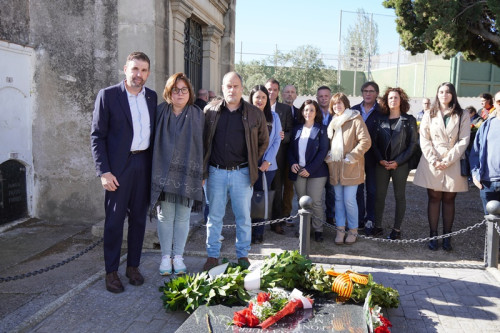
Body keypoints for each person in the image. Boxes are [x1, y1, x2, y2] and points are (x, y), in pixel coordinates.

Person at [91, 52, 157, 293]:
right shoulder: (108, 95)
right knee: (115, 222)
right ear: (125, 69)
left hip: (143, 164)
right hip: (118, 169)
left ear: (148, 73)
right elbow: (97, 136)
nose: (139, 74)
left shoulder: (151, 96)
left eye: (144, 70)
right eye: (135, 69)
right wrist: (104, 172)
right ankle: (111, 272)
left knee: (139, 220)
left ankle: (133, 266)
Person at [202, 72, 269, 271]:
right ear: (223, 88)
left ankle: (243, 255)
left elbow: (263, 141)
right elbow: (203, 141)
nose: (232, 90)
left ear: (242, 88)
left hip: (242, 173)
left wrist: (251, 160)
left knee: (243, 217)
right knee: (214, 217)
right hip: (216, 172)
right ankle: (212, 256)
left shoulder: (254, 113)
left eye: (236, 86)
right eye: (228, 86)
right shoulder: (210, 111)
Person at [150, 73, 204, 275]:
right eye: (175, 89)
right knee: (164, 217)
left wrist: (202, 173)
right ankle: (165, 257)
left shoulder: (198, 114)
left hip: (188, 174)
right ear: (169, 92)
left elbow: (204, 145)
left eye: (184, 90)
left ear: (189, 92)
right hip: (162, 173)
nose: (180, 93)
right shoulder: (159, 112)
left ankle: (178, 256)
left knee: (183, 218)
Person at [413, 82, 470, 251]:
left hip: (453, 160)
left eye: (448, 92)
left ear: (453, 94)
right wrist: (434, 160)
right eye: (441, 92)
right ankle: (433, 235)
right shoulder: (429, 113)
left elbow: (464, 139)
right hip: (433, 162)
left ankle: (447, 237)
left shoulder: (462, 113)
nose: (444, 95)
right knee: (434, 198)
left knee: (449, 199)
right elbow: (424, 138)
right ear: (437, 94)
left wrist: (449, 159)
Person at [370, 88, 418, 240]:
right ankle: (377, 226)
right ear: (386, 100)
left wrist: (398, 161)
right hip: (382, 164)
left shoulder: (408, 120)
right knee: (379, 196)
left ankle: (397, 229)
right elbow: (374, 143)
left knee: (399, 196)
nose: (393, 100)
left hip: (400, 165)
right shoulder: (379, 119)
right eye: (390, 98)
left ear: (401, 100)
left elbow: (412, 145)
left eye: (396, 98)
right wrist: (380, 160)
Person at [326, 93, 371, 245]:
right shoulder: (333, 122)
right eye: (334, 104)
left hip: (351, 167)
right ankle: (340, 230)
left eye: (340, 103)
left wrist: (351, 156)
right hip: (336, 167)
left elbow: (366, 141)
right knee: (338, 200)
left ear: (346, 104)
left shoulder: (355, 119)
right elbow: (330, 144)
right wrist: (328, 155)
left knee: (349, 200)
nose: (337, 106)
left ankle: (353, 230)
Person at [288, 100, 329, 242]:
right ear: (302, 112)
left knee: (315, 201)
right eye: (306, 110)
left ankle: (318, 229)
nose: (308, 113)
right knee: (301, 201)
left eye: (311, 110)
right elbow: (290, 149)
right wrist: (293, 162)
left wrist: (310, 169)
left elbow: (323, 151)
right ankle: (304, 229)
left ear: (316, 112)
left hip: (317, 172)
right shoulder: (296, 129)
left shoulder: (322, 129)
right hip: (298, 170)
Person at [248, 85, 282, 243]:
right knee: (245, 199)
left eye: (263, 97)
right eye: (257, 97)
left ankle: (258, 233)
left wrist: (267, 160)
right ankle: (245, 232)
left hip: (267, 166)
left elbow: (276, 140)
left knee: (259, 200)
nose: (260, 100)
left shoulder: (274, 117)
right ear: (251, 98)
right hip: (247, 164)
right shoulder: (245, 115)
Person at [352, 81, 383, 232]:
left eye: (371, 91)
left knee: (372, 189)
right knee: (357, 188)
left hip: (374, 157)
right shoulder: (353, 111)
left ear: (376, 93)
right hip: (356, 157)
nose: (368, 93)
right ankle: (358, 219)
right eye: (365, 91)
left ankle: (370, 218)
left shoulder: (383, 112)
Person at [265, 78, 293, 234]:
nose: (271, 92)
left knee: (277, 189)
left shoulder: (284, 109)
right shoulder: (256, 106)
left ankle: (276, 222)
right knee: (259, 191)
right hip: (259, 158)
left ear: (278, 92)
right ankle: (258, 222)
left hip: (278, 157)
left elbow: (291, 132)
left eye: (274, 89)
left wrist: (284, 136)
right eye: (269, 89)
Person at [470, 91, 500, 213]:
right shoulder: (487, 125)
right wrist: (475, 175)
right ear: (495, 103)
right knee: (491, 226)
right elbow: (475, 152)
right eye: (499, 101)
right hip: (488, 184)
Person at [316, 86, 335, 226]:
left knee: (331, 190)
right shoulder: (312, 112)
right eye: (320, 96)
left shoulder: (337, 114)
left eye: (326, 96)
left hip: (333, 158)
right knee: (315, 192)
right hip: (316, 158)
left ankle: (330, 217)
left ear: (330, 97)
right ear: (317, 98)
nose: (323, 98)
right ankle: (313, 219)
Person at [281, 84, 300, 226]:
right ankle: (272, 214)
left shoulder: (301, 113)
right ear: (282, 94)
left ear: (296, 95)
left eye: (292, 92)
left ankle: (286, 214)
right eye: (287, 92)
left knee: (289, 186)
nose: (289, 94)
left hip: (293, 155)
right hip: (277, 154)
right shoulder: (276, 110)